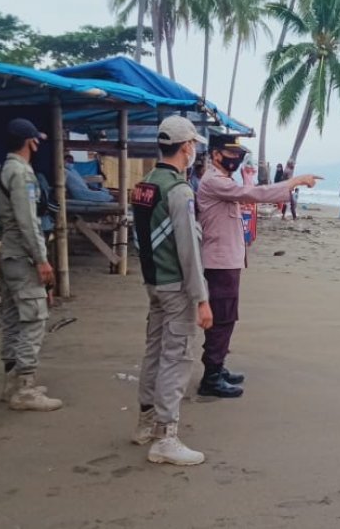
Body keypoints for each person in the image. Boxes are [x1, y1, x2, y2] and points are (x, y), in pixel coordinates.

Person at [196, 134, 322, 399]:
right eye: (231, 155)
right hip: (220, 261)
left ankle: (217, 367)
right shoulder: (215, 181)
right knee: (223, 317)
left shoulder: (222, 180)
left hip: (226, 258)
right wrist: (295, 181)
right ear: (216, 155)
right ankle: (211, 376)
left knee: (226, 316)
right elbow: (253, 193)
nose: (236, 160)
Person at [130, 115, 213, 466]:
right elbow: (188, 250)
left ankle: (145, 422)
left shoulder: (145, 183)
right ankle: (165, 437)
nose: (194, 150)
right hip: (175, 285)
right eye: (193, 144)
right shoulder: (178, 190)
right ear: (186, 147)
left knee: (155, 350)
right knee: (176, 357)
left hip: (153, 281)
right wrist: (202, 298)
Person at [0, 118, 62, 412]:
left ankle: (11, 381)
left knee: (11, 319)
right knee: (33, 319)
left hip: (7, 253)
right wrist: (42, 259)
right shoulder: (22, 174)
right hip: (23, 256)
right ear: (30, 142)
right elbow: (27, 221)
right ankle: (25, 387)